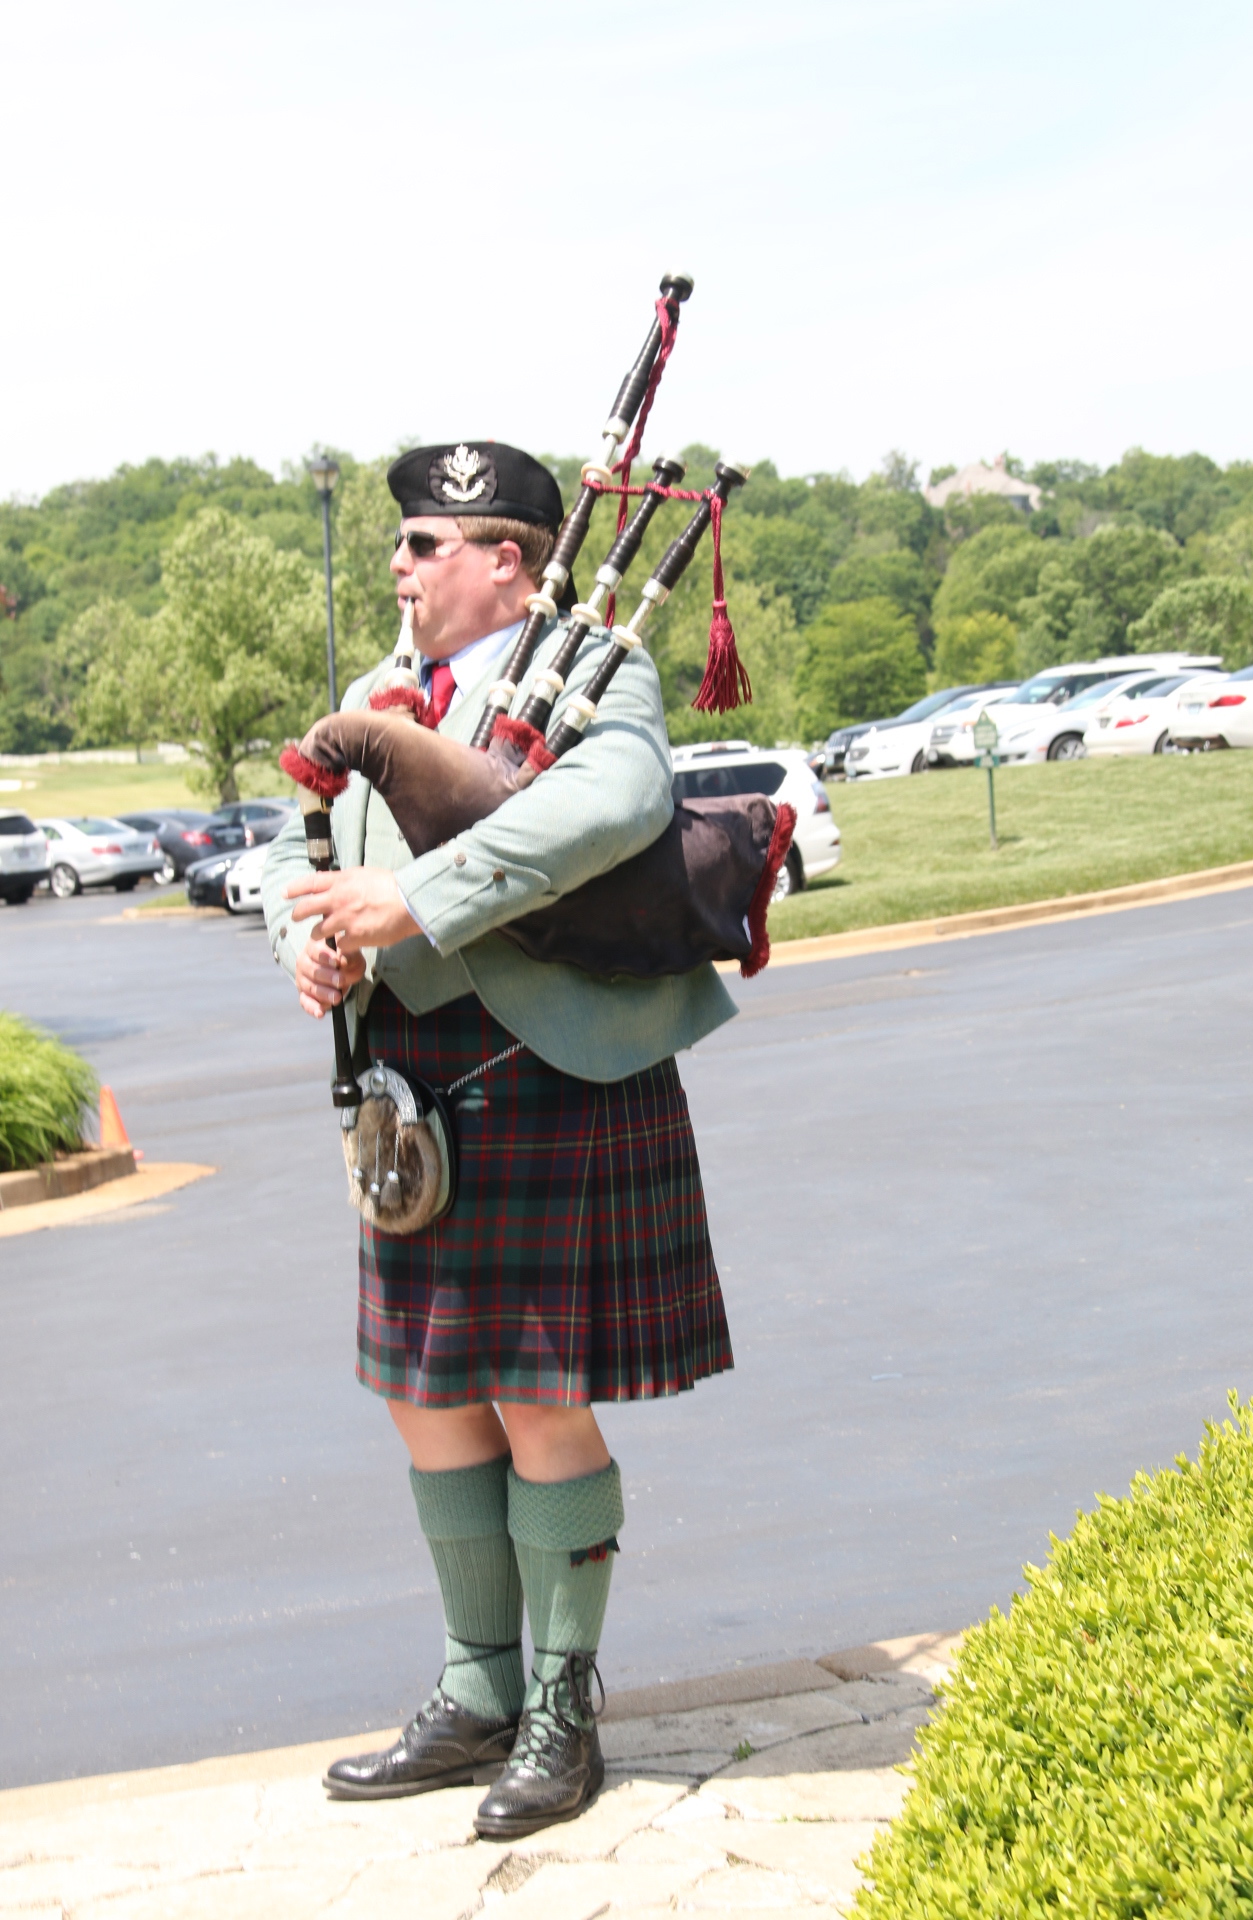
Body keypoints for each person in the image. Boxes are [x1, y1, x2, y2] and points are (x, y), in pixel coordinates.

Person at [261, 441, 736, 1840]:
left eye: (424, 542)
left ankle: (561, 1709)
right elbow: (303, 853)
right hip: (406, 1079)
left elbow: (615, 806)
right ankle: (475, 1687)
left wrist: (423, 902)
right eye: (402, 544)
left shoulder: (600, 671)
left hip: (551, 1066)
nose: (400, 567)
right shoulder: (374, 699)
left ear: (506, 558)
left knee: (537, 1393)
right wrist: (307, 935)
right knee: (428, 1393)